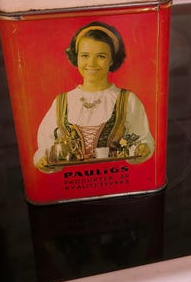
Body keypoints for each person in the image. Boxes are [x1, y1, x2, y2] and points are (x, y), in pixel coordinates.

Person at [33, 21, 154, 173]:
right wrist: (43, 159)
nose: (91, 63)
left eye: (101, 56)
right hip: (73, 180)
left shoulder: (128, 99)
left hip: (115, 176)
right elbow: (45, 146)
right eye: (84, 55)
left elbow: (141, 140)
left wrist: (143, 149)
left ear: (111, 60)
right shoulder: (62, 101)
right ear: (77, 57)